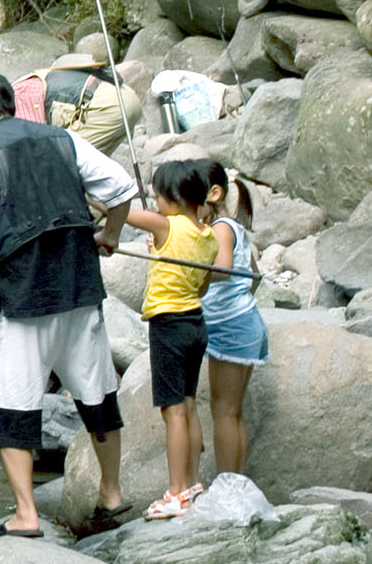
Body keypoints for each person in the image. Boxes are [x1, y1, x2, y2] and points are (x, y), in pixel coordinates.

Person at [0, 68, 137, 540]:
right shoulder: (63, 140)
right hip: (80, 288)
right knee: (97, 393)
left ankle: (26, 515)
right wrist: (110, 234)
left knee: (11, 406)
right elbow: (120, 188)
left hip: (26, 297)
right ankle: (112, 496)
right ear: (8, 102)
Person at [128, 159, 220, 520]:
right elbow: (202, 284)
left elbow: (116, 210)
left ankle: (176, 492)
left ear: (174, 198)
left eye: (157, 196)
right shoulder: (207, 235)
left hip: (168, 326)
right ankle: (194, 484)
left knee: (173, 412)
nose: (154, 203)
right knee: (189, 404)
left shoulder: (166, 225)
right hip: (196, 324)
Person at [200, 164, 266, 479]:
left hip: (230, 328)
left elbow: (224, 270)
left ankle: (228, 484)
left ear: (213, 194)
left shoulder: (220, 229)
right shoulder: (235, 227)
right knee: (233, 411)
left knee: (223, 412)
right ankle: (237, 483)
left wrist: (189, 272)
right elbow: (254, 275)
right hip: (246, 321)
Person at [13, 53, 145, 154]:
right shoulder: (27, 84)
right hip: (125, 96)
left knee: (62, 160)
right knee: (92, 163)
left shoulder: (19, 96)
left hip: (109, 106)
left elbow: (36, 144)